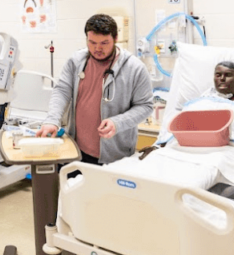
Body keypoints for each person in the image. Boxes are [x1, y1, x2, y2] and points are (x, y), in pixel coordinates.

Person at [37, 14, 153, 165]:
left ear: (115, 38)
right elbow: (62, 90)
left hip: (114, 156)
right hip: (76, 150)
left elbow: (145, 106)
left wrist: (118, 122)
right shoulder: (76, 61)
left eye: (104, 43)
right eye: (92, 42)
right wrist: (52, 120)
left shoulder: (134, 68)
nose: (98, 48)